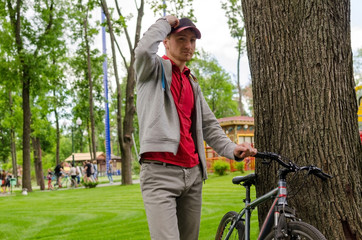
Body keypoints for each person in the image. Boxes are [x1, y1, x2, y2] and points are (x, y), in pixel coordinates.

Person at [134, 15, 257, 240]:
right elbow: (142, 51)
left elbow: (209, 125)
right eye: (181, 38)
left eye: (192, 40)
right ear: (166, 41)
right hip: (159, 173)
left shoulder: (192, 81)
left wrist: (231, 149)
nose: (188, 45)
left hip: (192, 174)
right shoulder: (151, 70)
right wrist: (163, 22)